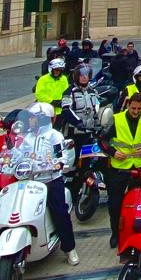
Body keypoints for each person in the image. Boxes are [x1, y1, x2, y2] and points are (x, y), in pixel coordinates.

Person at [100, 90, 141, 248]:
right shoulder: (116, 119)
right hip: (119, 169)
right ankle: (116, 234)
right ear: (128, 105)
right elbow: (101, 140)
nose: (136, 112)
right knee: (115, 205)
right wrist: (113, 152)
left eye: (139, 109)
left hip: (140, 168)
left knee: (139, 204)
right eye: (133, 108)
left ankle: (135, 233)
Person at [22, 103, 80, 265]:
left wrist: (58, 163)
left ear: (43, 119)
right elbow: (20, 155)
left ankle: (69, 248)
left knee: (60, 212)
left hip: (51, 179)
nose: (30, 121)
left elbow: (61, 156)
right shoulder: (27, 137)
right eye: (30, 118)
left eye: (34, 118)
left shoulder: (54, 136)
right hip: (30, 181)